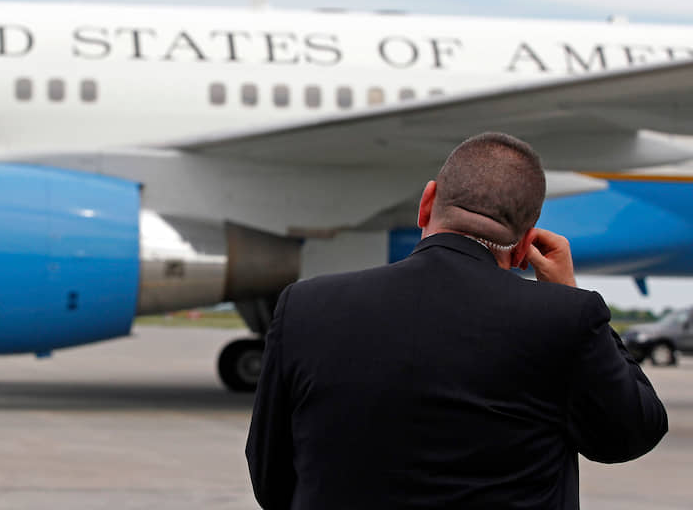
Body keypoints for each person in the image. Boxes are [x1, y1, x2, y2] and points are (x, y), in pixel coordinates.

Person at [245, 132, 668, 509]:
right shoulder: (564, 317)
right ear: (526, 240)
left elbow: (271, 479)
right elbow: (629, 434)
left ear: (426, 203)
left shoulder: (304, 306)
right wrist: (570, 295)